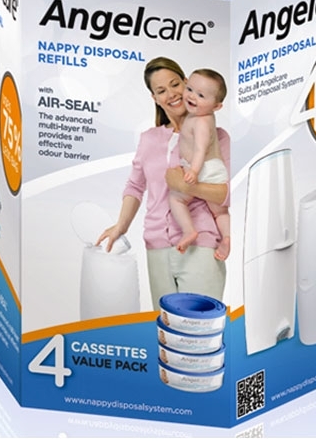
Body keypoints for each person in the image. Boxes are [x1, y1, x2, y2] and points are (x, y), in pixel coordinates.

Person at [96, 57, 229, 310]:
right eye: (161, 90)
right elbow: (135, 186)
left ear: (186, 83)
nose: (171, 94)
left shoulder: (216, 136)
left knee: (198, 327)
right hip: (157, 249)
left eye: (175, 84)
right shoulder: (149, 139)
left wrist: (187, 187)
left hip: (200, 248)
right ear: (155, 98)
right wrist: (121, 226)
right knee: (165, 328)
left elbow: (225, 193)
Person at [169, 69, 230, 261]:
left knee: (177, 199)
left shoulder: (201, 122)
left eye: (201, 95)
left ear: (217, 106)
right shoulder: (200, 115)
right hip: (209, 168)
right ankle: (226, 237)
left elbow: (200, 150)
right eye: (189, 89)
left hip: (205, 168)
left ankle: (189, 230)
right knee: (219, 211)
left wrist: (194, 171)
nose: (192, 96)